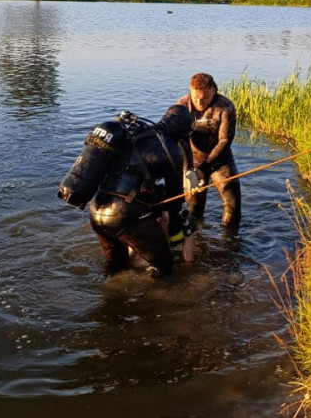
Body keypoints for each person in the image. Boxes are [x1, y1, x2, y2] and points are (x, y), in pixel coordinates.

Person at [57, 105, 197, 278]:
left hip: (97, 210)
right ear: (182, 131)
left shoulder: (134, 134)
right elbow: (174, 199)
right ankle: (153, 302)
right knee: (164, 266)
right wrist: (178, 232)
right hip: (125, 216)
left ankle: (111, 299)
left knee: (116, 268)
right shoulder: (170, 149)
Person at [177, 72, 241, 231]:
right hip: (192, 161)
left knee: (232, 206)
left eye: (204, 98)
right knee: (193, 208)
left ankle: (230, 241)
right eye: (195, 97)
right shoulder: (181, 106)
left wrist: (203, 169)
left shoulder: (226, 107)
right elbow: (177, 140)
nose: (199, 102)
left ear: (214, 90)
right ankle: (197, 242)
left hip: (220, 160)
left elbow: (225, 141)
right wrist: (188, 171)